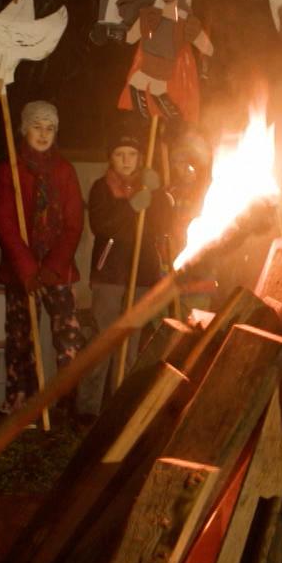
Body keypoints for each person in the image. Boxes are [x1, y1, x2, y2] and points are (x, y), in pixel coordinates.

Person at [0, 100, 86, 409]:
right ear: (24, 129)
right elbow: (4, 223)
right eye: (37, 126)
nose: (43, 134)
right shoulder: (9, 170)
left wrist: (52, 267)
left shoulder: (64, 171)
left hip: (58, 270)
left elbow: (74, 223)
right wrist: (29, 269)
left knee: (68, 336)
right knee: (21, 339)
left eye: (49, 128)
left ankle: (67, 403)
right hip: (22, 271)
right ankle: (21, 405)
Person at [80, 134, 164, 416]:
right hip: (110, 275)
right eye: (120, 154)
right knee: (104, 340)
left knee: (131, 344)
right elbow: (101, 225)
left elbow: (165, 223)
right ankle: (88, 408)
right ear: (111, 158)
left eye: (132, 154)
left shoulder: (149, 187)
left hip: (143, 274)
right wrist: (131, 206)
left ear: (140, 157)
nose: (126, 160)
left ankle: (121, 409)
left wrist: (159, 194)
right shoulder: (101, 188)